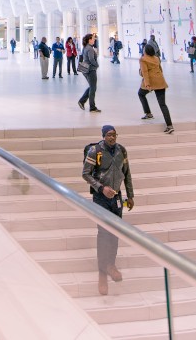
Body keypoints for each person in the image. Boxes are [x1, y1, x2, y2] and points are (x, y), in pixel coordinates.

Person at [82, 125, 133, 295]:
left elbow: (127, 173)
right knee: (103, 234)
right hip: (101, 198)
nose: (113, 137)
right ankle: (102, 273)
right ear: (103, 136)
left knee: (115, 232)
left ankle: (111, 264)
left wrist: (130, 195)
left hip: (117, 199)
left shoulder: (121, 151)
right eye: (109, 135)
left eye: (114, 134)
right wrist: (101, 188)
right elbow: (85, 174)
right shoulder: (94, 151)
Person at [138, 43, 173, 134]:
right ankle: (169, 125)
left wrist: (147, 84)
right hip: (160, 81)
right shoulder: (156, 58)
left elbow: (145, 72)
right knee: (162, 104)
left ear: (145, 51)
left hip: (151, 81)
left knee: (141, 94)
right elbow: (160, 70)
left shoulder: (143, 59)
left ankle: (148, 113)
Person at [77, 33, 102, 113]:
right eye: (93, 39)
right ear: (89, 40)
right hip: (90, 70)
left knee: (92, 87)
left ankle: (82, 101)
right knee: (93, 88)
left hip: (85, 69)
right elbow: (91, 59)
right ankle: (92, 107)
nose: (94, 40)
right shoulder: (90, 49)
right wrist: (96, 65)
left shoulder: (85, 47)